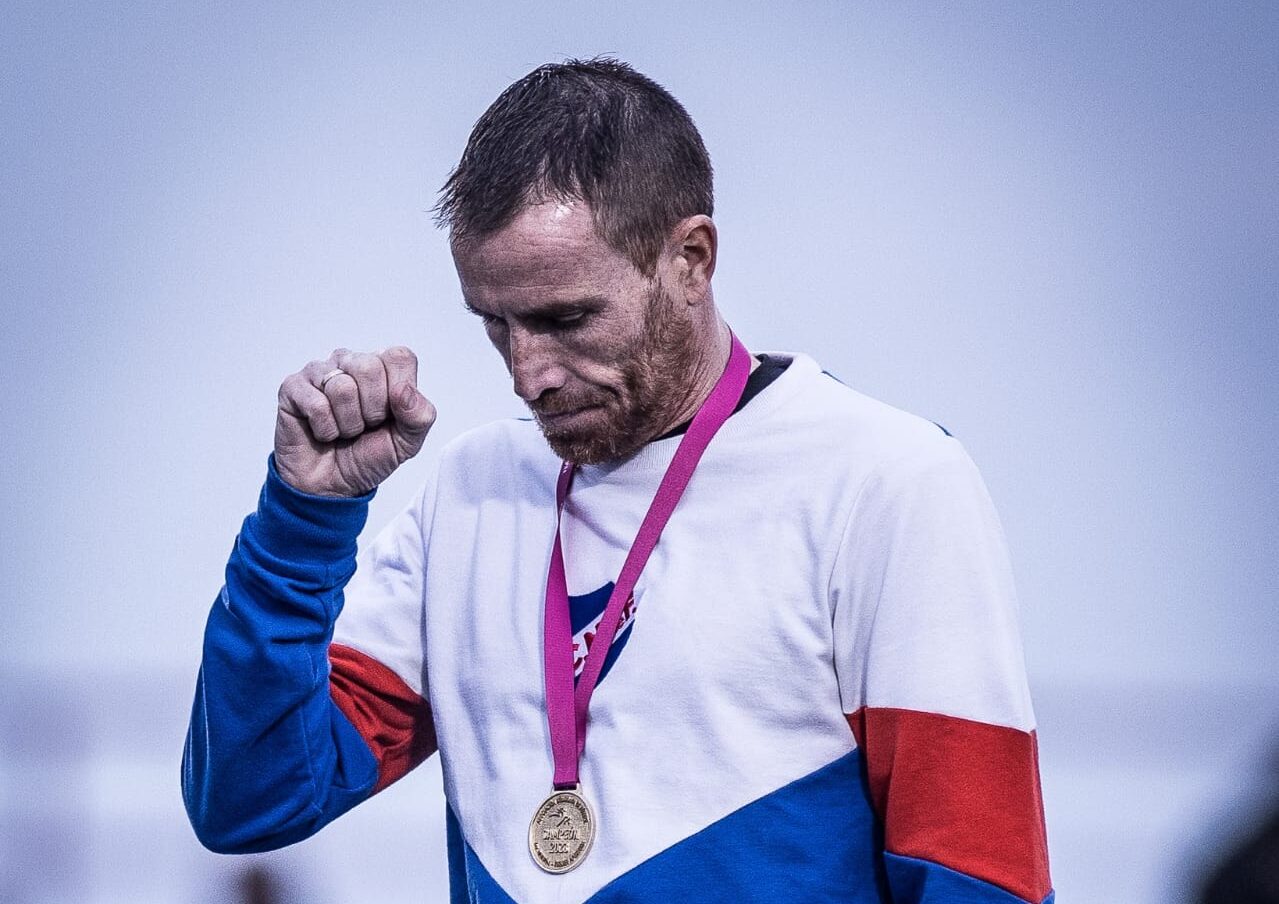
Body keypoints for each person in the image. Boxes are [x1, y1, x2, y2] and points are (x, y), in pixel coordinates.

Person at [183, 57, 1053, 903]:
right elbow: (251, 799)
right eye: (497, 324)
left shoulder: (885, 482)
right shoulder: (473, 495)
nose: (528, 374)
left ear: (691, 259)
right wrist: (304, 520)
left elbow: (979, 878)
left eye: (566, 318)